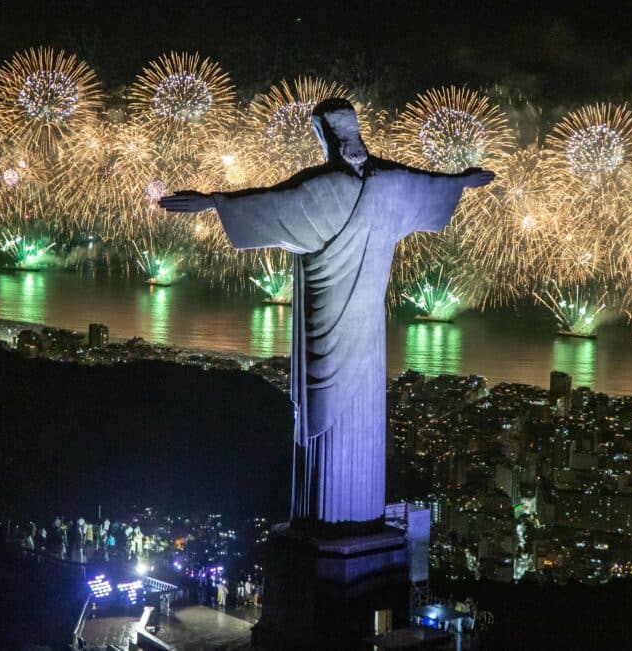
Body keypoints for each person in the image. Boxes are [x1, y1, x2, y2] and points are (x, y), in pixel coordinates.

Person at [160, 98, 493, 526]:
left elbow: (270, 204)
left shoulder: (322, 190)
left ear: (326, 138)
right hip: (370, 336)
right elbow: (429, 186)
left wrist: (213, 202)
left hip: (324, 326)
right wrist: (461, 182)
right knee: (359, 418)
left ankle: (323, 522)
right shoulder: (392, 184)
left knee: (322, 424)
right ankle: (357, 518)